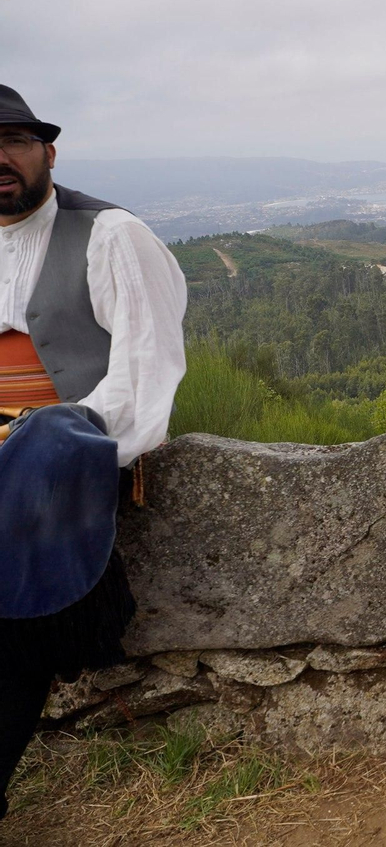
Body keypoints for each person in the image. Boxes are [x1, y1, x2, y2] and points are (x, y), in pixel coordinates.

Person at [0, 84, 187, 819]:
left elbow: (144, 380)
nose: (1, 161)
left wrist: (29, 448)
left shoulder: (112, 235)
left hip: (63, 464)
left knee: (9, 626)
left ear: (47, 151)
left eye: (14, 142)